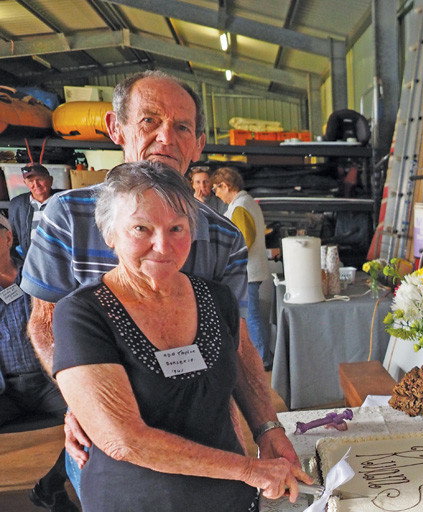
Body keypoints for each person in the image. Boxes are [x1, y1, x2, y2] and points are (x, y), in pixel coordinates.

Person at [53, 161, 301, 512]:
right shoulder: (83, 313)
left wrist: (269, 428)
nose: (162, 245)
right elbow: (125, 439)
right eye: (141, 229)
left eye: (176, 228)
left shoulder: (212, 297)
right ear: (111, 234)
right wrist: (250, 469)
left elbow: (243, 370)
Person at [20, 70, 304, 485]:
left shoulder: (223, 236)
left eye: (182, 126)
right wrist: (84, 400)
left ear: (198, 143)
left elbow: (237, 341)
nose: (166, 137)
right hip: (111, 441)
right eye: (150, 120)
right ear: (116, 128)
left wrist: (266, 427)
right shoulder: (65, 217)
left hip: (208, 436)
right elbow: (44, 324)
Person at [0, 214, 77, 512]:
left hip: (48, 381)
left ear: (7, 238)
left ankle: (52, 486)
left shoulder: (39, 271)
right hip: (6, 389)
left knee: (95, 420)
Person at [211, 166, 271, 367]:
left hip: (247, 271)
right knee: (252, 316)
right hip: (252, 270)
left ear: (225, 186)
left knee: (251, 317)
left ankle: (262, 359)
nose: (217, 194)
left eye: (216, 189)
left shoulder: (240, 206)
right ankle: (262, 356)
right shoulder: (246, 203)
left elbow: (244, 240)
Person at [7, 162, 62, 259]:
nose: (36, 185)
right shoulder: (17, 205)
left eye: (40, 179)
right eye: (30, 181)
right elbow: (12, 241)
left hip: (62, 264)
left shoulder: (64, 200)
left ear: (50, 180)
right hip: (32, 266)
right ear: (25, 183)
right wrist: (22, 268)